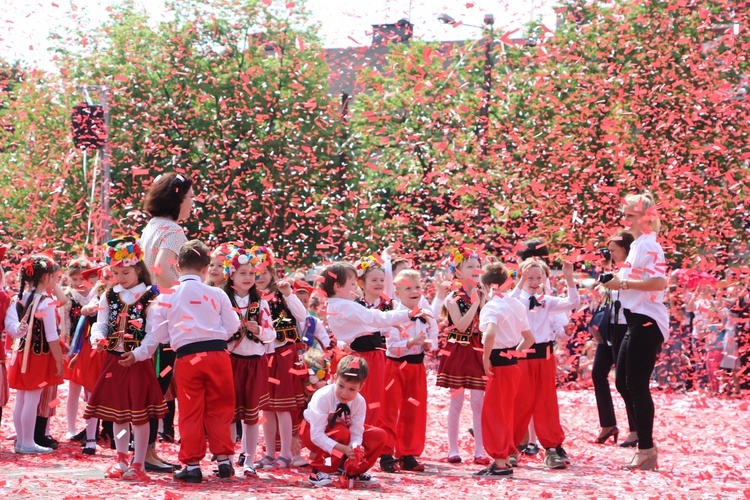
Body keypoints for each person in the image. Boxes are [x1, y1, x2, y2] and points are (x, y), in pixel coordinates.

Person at [120, 239, 241, 483]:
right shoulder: (217, 293)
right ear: (206, 267)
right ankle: (224, 460)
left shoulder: (167, 296)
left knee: (191, 410)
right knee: (221, 406)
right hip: (218, 355)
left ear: (177, 267)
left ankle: (193, 464)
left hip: (187, 356)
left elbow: (159, 336)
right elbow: (233, 326)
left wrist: (139, 353)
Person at [83, 238, 166, 480]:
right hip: (114, 360)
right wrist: (96, 339)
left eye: (126, 272)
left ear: (138, 268)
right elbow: (99, 325)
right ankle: (121, 458)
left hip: (137, 362)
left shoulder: (152, 296)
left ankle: (138, 463)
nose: (121, 277)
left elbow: (155, 334)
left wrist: (139, 354)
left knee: (139, 416)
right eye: (117, 273)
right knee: (118, 414)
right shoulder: (110, 295)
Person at [602, 192, 669, 470]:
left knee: (636, 385)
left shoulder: (649, 244)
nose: (625, 218)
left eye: (630, 214)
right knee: (623, 382)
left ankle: (646, 449)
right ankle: (644, 445)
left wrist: (623, 285)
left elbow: (658, 283)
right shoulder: (639, 245)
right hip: (635, 320)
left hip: (646, 321)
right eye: (625, 213)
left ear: (646, 217)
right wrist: (617, 280)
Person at [139, 172, 194, 462]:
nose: (193, 203)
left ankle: (146, 450)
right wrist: (177, 298)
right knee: (159, 383)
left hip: (147, 310)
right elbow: (162, 270)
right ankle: (147, 452)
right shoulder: (173, 231)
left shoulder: (150, 227)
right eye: (190, 197)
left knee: (153, 381)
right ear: (177, 198)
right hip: (163, 315)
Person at [509, 258, 580, 469]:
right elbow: (510, 301)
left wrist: (569, 278)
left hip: (545, 358)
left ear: (544, 279)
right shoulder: (516, 299)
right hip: (522, 358)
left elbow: (573, 302)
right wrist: (520, 283)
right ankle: (510, 448)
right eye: (529, 277)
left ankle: (551, 448)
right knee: (519, 402)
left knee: (546, 403)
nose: (534, 281)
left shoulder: (548, 300)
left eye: (538, 277)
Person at [474, 263, 535, 478]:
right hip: (512, 365)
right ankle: (506, 458)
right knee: (506, 412)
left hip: (499, 366)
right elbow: (529, 339)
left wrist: (486, 358)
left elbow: (489, 334)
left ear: (489, 285)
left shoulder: (492, 306)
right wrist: (514, 353)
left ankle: (500, 463)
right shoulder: (516, 304)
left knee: (494, 414)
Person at [221, 246, 276, 476]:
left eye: (251, 274)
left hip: (254, 362)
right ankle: (228, 458)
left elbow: (271, 334)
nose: (247, 278)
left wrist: (259, 329)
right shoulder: (223, 299)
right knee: (230, 414)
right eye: (242, 273)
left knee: (251, 416)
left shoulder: (260, 303)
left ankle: (250, 460)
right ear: (231, 275)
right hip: (230, 362)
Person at [253, 245, 307, 471]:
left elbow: (303, 316)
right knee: (267, 408)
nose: (260, 275)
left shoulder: (283, 294)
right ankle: (269, 453)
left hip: (284, 354)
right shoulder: (250, 298)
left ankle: (286, 453)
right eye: (255, 271)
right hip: (263, 356)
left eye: (265, 270)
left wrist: (289, 294)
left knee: (284, 406)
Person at [378, 269, 438, 473]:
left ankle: (407, 453)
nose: (414, 291)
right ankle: (385, 452)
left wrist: (429, 345)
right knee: (389, 409)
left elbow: (434, 339)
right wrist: (411, 341)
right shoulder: (393, 315)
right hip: (395, 367)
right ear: (397, 292)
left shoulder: (427, 314)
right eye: (408, 288)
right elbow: (391, 346)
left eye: (418, 287)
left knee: (414, 410)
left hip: (417, 367)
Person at [4, 254, 64, 454]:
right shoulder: (45, 303)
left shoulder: (17, 298)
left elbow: (12, 328)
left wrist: (20, 329)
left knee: (21, 399)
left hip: (20, 355)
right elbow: (52, 336)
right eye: (54, 279)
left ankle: (22, 441)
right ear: (46, 278)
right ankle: (27, 442)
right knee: (31, 399)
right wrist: (58, 361)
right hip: (38, 357)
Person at [436, 246, 489, 465]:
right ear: (458, 272)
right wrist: (477, 302)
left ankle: (480, 450)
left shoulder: (485, 294)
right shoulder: (452, 297)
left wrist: (482, 300)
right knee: (456, 402)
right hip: (458, 350)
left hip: (477, 349)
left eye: (478, 266)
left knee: (479, 403)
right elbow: (460, 324)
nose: (476, 270)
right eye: (470, 267)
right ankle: (453, 449)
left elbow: (486, 325)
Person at [301, 355, 386, 488]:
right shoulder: (323, 397)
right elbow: (316, 435)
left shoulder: (359, 402)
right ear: (335, 378)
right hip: (311, 431)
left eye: (352, 389)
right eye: (341, 386)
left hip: (343, 433)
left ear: (361, 387)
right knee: (341, 432)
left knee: (378, 435)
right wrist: (343, 449)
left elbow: (357, 431)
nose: (344, 393)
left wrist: (355, 448)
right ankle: (320, 470)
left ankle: (354, 471)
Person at [591, 231, 636, 445]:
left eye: (613, 250)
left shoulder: (634, 270)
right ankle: (608, 423)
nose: (611, 254)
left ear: (626, 249)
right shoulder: (614, 269)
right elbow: (606, 293)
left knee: (625, 381)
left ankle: (636, 430)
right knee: (598, 373)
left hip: (625, 327)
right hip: (609, 326)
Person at [351, 255, 393, 427]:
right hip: (357, 356)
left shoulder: (388, 305)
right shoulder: (354, 304)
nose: (379, 283)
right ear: (361, 283)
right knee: (357, 397)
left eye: (381, 280)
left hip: (378, 358)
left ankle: (374, 439)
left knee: (377, 398)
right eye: (374, 279)